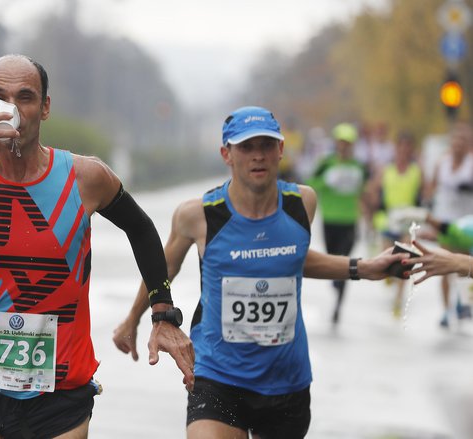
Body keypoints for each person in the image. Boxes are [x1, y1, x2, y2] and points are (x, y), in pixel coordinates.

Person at [0, 54, 194, 439]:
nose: (10, 109)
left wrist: (163, 313)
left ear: (45, 108)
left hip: (61, 389)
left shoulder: (86, 177)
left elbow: (142, 229)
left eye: (25, 97)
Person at [112, 106, 407, 439]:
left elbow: (290, 259)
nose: (258, 156)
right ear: (227, 154)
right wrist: (133, 318)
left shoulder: (302, 204)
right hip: (218, 374)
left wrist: (363, 268)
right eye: (246, 147)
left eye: (266, 145)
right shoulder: (199, 216)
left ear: (280, 150)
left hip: (286, 380)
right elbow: (162, 269)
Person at [307, 122, 368, 324]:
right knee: (333, 261)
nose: (344, 146)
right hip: (329, 220)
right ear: (336, 143)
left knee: (345, 262)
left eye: (347, 143)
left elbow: (367, 189)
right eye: (341, 142)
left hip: (350, 221)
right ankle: (336, 282)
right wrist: (326, 180)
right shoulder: (326, 163)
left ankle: (338, 307)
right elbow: (310, 185)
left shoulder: (359, 166)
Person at [364, 131, 425, 317]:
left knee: (406, 260)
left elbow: (425, 192)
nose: (404, 151)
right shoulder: (386, 169)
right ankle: (389, 275)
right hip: (388, 220)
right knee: (388, 258)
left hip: (408, 221)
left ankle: (398, 300)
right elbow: (371, 189)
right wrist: (373, 206)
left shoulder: (416, 171)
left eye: (408, 147)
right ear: (396, 148)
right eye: (401, 147)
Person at [424, 121, 473, 328]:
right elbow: (431, 188)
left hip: (465, 224)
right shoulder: (441, 163)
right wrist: (427, 210)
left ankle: (463, 302)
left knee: (462, 266)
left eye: (463, 141)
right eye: (456, 140)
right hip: (444, 221)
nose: (459, 144)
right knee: (443, 265)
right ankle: (446, 309)